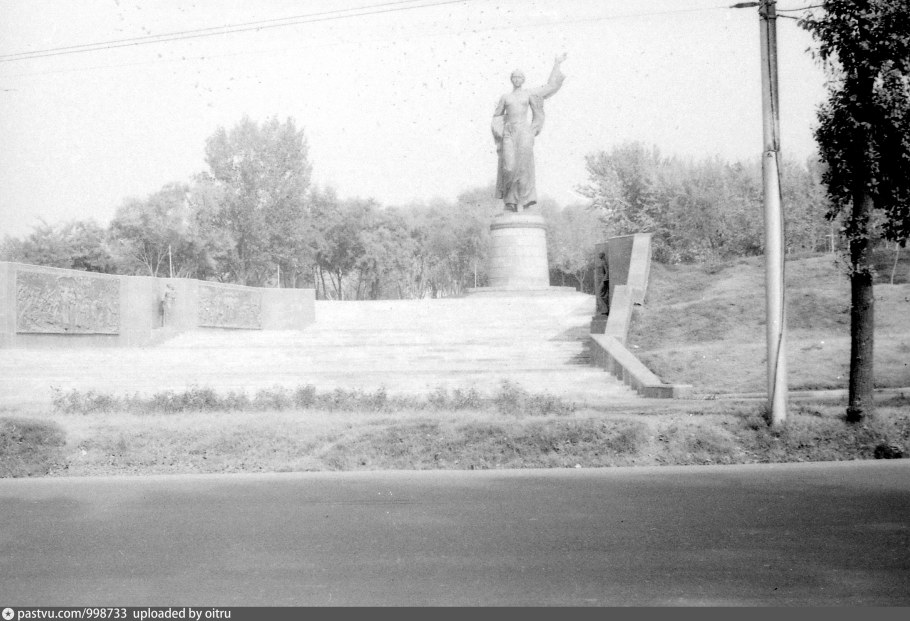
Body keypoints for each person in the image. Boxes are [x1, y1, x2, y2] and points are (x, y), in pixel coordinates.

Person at [492, 53, 567, 212]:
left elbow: (549, 87)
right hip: (509, 133)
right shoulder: (505, 97)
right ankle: (510, 200)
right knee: (509, 167)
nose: (517, 79)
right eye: (514, 77)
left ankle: (526, 201)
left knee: (525, 167)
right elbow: (497, 115)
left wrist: (557, 64)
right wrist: (500, 131)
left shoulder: (529, 94)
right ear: (511, 79)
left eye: (520, 77)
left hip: (524, 132)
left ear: (523, 80)